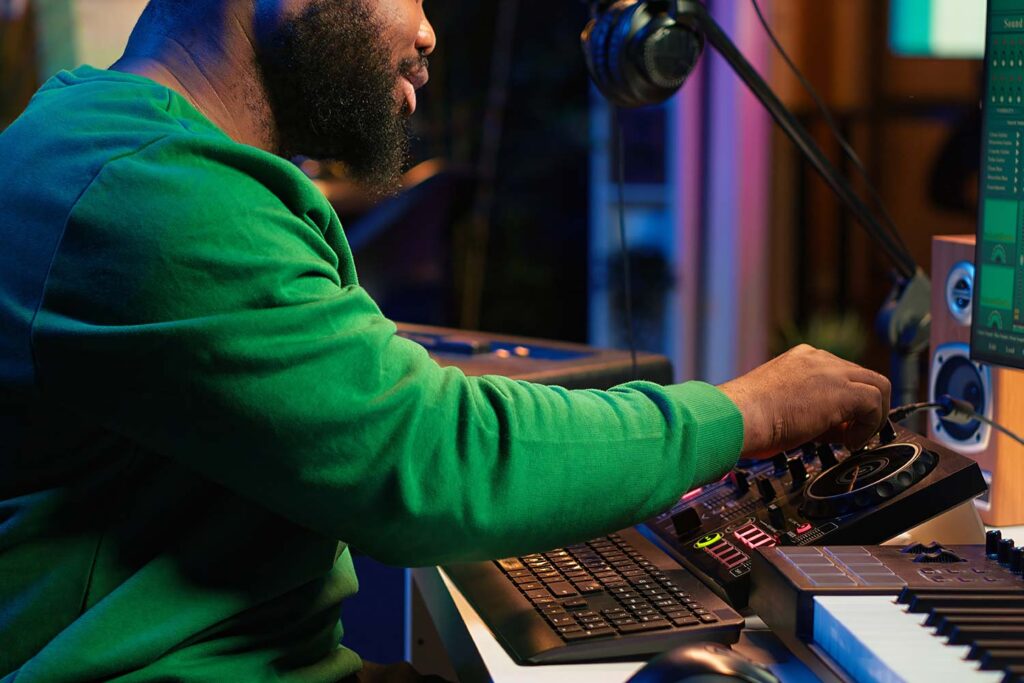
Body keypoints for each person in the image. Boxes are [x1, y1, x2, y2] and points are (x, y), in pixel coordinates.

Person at [0, 1, 891, 681]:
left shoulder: (101, 141)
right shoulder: (147, 190)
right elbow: (434, 457)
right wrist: (748, 410)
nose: (428, 32)